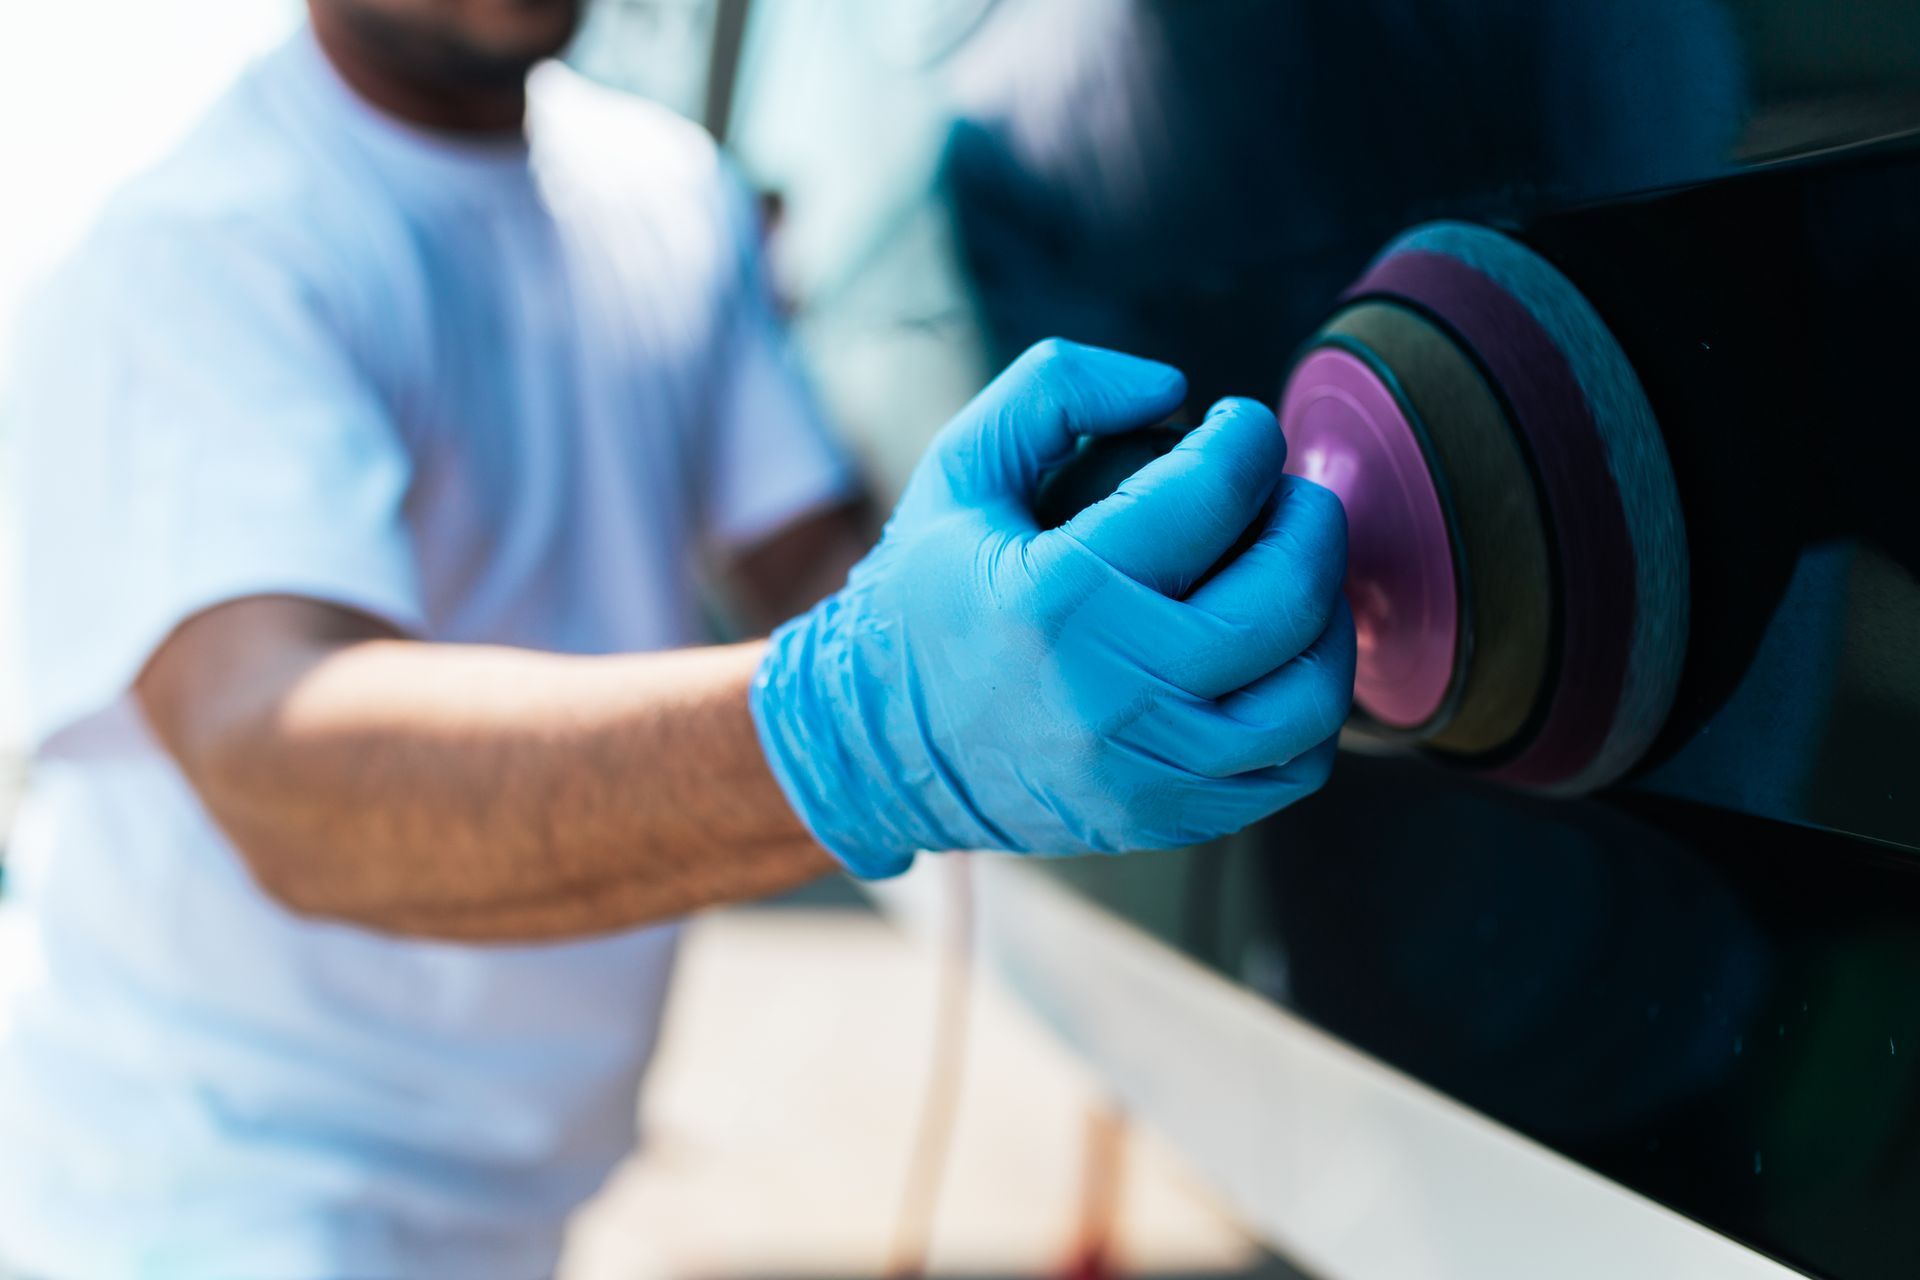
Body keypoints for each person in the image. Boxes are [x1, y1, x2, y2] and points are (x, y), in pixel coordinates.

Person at [0, 0, 1353, 1275]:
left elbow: (820, 568)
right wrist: (863, 727)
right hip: (200, 1206)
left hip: (523, 1206)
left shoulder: (664, 193)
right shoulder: (200, 253)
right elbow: (289, 780)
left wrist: (1068, 563)